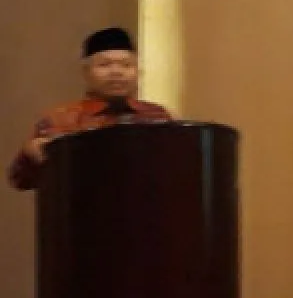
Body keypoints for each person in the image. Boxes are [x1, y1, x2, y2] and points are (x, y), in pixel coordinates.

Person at [6, 27, 173, 191]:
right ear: (86, 72)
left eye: (126, 65)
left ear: (138, 72)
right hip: (81, 206)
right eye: (104, 65)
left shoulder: (156, 115)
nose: (116, 72)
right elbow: (20, 181)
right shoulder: (59, 120)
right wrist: (30, 155)